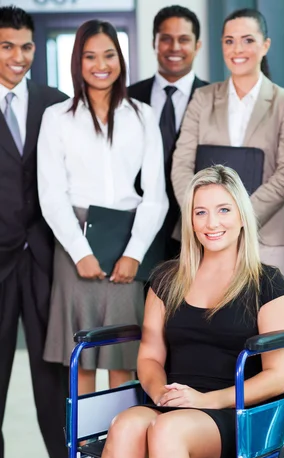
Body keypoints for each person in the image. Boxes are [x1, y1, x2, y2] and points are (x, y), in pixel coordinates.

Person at [64, 164, 284, 458]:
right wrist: (161, 393)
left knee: (166, 431)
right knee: (127, 425)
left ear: (242, 215)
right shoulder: (168, 279)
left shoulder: (267, 283)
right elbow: (149, 356)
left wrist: (206, 400)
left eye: (223, 210)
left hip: (231, 412)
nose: (212, 223)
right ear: (189, 220)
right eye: (201, 212)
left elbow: (276, 377)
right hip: (171, 402)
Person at [171, 7, 284, 458]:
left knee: (262, 350)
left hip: (268, 235)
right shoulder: (204, 98)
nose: (238, 49)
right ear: (220, 47)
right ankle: (212, 451)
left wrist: (240, 213)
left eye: (248, 40)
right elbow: (183, 163)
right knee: (213, 341)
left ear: (265, 46)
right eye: (229, 40)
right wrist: (207, 212)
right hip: (208, 235)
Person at [37, 20, 168, 397]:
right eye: (90, 56)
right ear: (78, 61)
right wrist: (80, 252)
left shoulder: (143, 115)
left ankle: (120, 451)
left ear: (121, 59)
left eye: (109, 55)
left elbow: (156, 195)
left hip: (127, 240)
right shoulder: (57, 117)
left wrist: (134, 253)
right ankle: (84, 455)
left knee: (122, 357)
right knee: (82, 358)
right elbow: (52, 194)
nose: (101, 64)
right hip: (74, 241)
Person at [0, 5, 68, 458]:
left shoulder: (56, 102)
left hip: (45, 257)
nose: (18, 56)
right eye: (6, 46)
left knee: (52, 368)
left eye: (25, 46)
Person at [128, 5, 208, 274]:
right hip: (137, 230)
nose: (175, 47)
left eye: (183, 39)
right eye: (166, 38)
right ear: (154, 43)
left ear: (197, 45)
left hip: (197, 229)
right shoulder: (127, 98)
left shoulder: (214, 98)